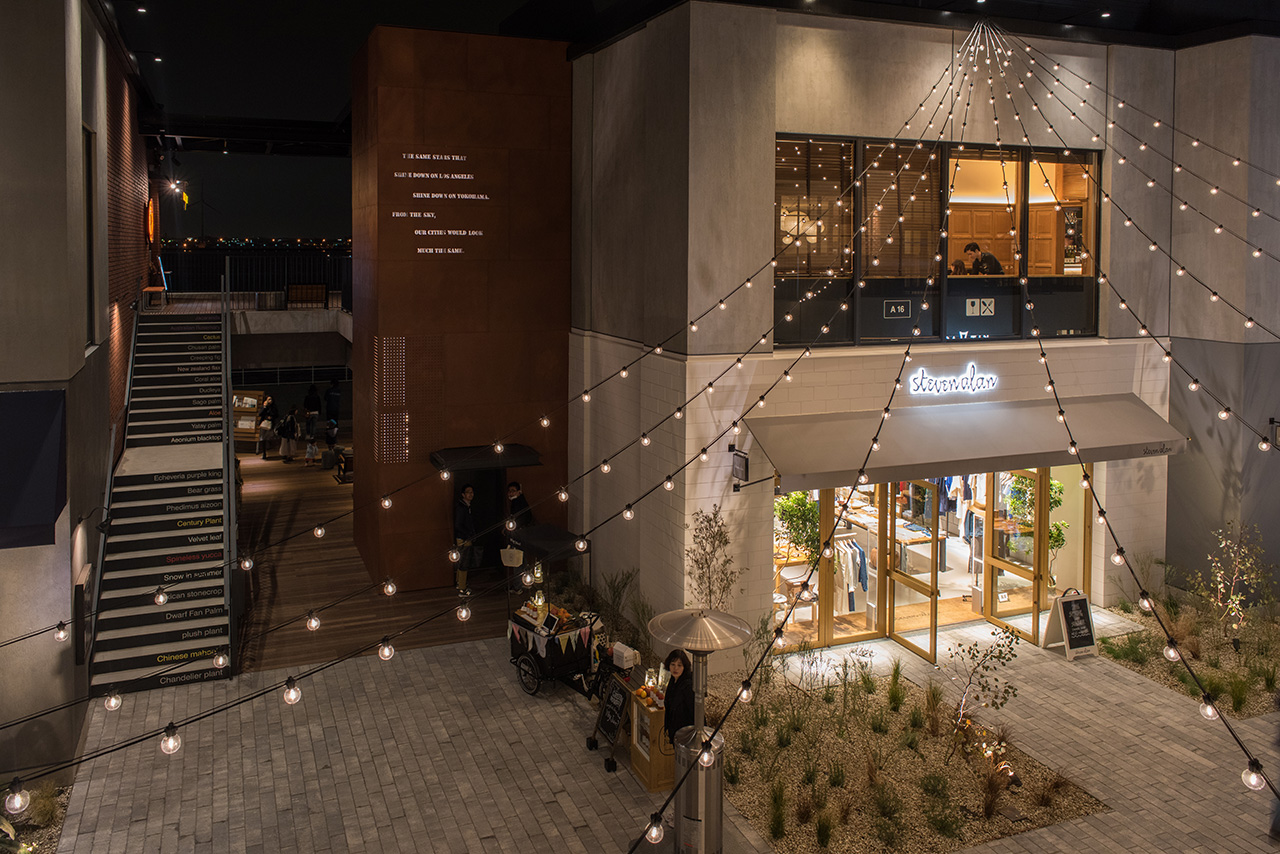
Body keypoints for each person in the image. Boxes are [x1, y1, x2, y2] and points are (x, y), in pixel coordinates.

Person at [663, 649, 695, 748]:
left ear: (684, 667)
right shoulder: (673, 680)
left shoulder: (688, 686)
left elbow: (694, 711)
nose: (675, 668)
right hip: (676, 731)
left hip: (686, 734)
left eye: (679, 665)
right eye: (673, 664)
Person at [453, 484, 479, 597]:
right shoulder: (462, 507)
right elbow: (458, 525)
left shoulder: (466, 506)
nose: (471, 494)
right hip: (463, 538)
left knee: (462, 562)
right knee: (464, 563)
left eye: (472, 492)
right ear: (463, 494)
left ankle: (460, 584)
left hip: (464, 537)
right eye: (468, 492)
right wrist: (468, 535)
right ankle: (462, 588)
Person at [256, 395, 278, 460]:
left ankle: (268, 448)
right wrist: (265, 407)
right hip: (264, 424)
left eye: (271, 399)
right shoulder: (264, 407)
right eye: (268, 399)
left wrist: (271, 417)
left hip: (270, 424)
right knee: (263, 439)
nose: (270, 401)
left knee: (268, 437)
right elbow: (260, 413)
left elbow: (276, 414)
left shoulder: (273, 407)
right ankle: (264, 453)